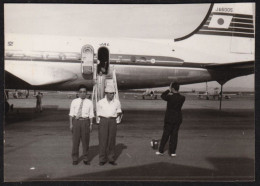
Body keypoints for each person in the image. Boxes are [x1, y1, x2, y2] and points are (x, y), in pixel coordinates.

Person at [156, 82, 185, 157]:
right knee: (174, 135)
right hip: (178, 118)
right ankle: (173, 152)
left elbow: (162, 96)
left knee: (165, 135)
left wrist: (168, 90)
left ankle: (161, 150)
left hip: (169, 119)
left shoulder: (169, 97)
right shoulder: (182, 97)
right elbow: (178, 96)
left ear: (172, 88)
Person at [96, 85, 122, 166]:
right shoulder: (100, 102)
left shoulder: (117, 102)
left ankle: (111, 158)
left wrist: (112, 117)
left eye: (113, 93)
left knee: (111, 140)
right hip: (103, 121)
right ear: (106, 93)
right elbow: (98, 113)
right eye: (110, 93)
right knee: (103, 140)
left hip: (112, 121)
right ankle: (102, 159)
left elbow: (119, 112)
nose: (112, 95)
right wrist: (105, 119)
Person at [69, 87, 94, 165]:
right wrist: (71, 124)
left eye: (84, 92)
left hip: (85, 122)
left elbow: (91, 114)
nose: (82, 93)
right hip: (76, 122)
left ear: (86, 93)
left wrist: (91, 124)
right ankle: (75, 158)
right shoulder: (74, 101)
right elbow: (71, 114)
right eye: (81, 92)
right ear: (78, 93)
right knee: (75, 141)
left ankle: (85, 158)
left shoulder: (89, 102)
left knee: (85, 141)